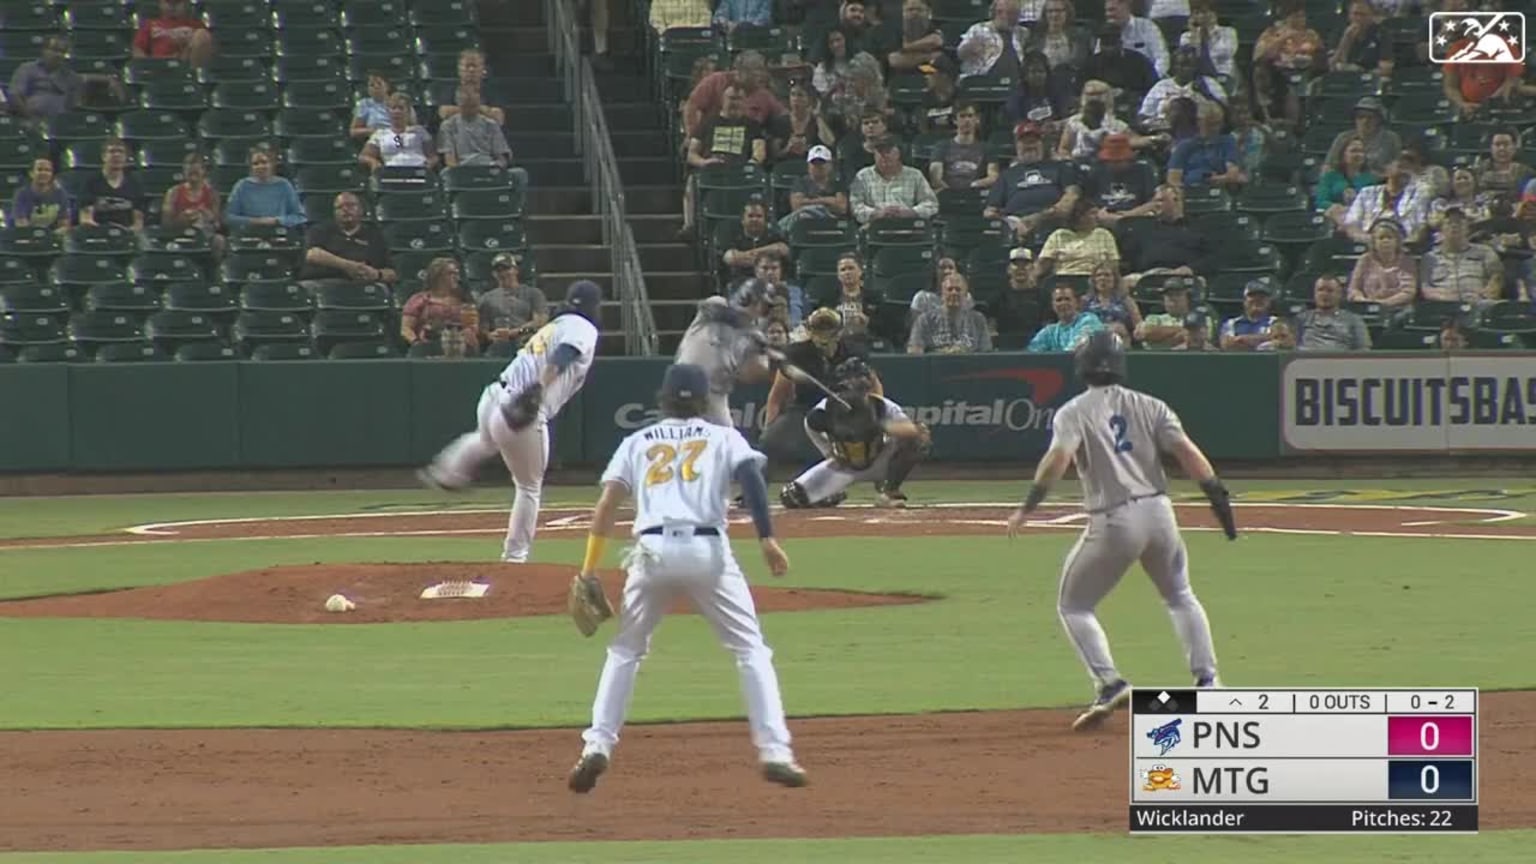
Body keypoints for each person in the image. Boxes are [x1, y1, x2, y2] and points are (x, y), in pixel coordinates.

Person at [564, 362, 804, 794]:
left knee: (625, 651)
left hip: (651, 553)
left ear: (664, 399)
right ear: (705, 401)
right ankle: (774, 752)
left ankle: (597, 745)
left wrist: (587, 568)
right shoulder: (723, 436)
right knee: (750, 650)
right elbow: (751, 477)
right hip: (707, 551)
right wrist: (767, 538)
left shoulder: (637, 441)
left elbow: (605, 507)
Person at [1005, 329, 1233, 731]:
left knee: (1073, 606)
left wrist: (1028, 507)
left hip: (1114, 519)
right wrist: (1219, 501)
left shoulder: (1073, 411)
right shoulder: (1152, 406)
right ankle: (1209, 681)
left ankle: (1109, 682)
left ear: (1082, 366)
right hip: (1161, 513)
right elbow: (1189, 454)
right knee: (1180, 595)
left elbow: (1058, 460)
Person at [417, 281, 604, 564]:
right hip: (521, 405)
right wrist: (540, 387)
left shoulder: (555, 324)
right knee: (529, 487)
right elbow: (565, 355)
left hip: (495, 395)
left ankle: (447, 472)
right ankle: (515, 558)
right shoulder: (582, 327)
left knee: (485, 439)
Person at [780, 356, 931, 512]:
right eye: (854, 378)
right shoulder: (823, 411)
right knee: (792, 497)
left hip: (880, 460)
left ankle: (889, 491)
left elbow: (912, 430)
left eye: (862, 377)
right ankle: (829, 496)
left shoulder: (880, 406)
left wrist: (878, 425)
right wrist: (830, 454)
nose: (859, 382)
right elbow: (811, 427)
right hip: (845, 466)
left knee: (920, 438)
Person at [760, 308, 882, 481]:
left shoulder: (855, 353)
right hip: (803, 409)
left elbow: (874, 386)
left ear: (839, 332)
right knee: (769, 442)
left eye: (829, 329)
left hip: (841, 411)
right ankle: (756, 488)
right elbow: (776, 397)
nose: (824, 335)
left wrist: (874, 414)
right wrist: (769, 428)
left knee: (871, 444)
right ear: (810, 331)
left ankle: (880, 487)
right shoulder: (797, 353)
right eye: (819, 329)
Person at [673, 282, 776, 427]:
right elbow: (720, 312)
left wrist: (772, 356)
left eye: (765, 306)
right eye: (756, 301)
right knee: (672, 432)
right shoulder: (717, 304)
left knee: (728, 439)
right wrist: (753, 333)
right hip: (681, 381)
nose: (759, 308)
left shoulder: (753, 337)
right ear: (743, 297)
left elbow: (749, 373)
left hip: (715, 392)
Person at [297, 191, 395, 292]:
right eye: (340, 207)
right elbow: (313, 254)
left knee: (382, 289)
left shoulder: (374, 235)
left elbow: (392, 273)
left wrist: (376, 274)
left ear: (361, 210)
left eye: (351, 206)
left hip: (362, 285)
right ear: (334, 213)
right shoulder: (320, 230)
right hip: (324, 282)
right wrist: (348, 266)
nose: (345, 210)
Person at [438, 86, 524, 188]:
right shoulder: (448, 125)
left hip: (488, 166)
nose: (470, 109)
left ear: (479, 104)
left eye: (473, 105)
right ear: (458, 105)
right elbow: (450, 160)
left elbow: (502, 157)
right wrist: (462, 172)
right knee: (445, 174)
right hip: (463, 168)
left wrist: (496, 168)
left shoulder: (491, 124)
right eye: (466, 105)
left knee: (520, 174)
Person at [401, 257, 480, 355]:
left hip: (459, 344)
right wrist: (416, 342)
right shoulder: (419, 299)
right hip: (428, 345)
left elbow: (473, 324)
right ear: (437, 276)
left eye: (457, 273)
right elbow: (406, 328)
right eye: (451, 273)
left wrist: (470, 332)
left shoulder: (464, 299)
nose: (456, 277)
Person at [849, 138, 939, 225]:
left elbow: (931, 204)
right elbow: (855, 206)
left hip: (908, 226)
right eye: (880, 152)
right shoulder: (863, 176)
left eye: (888, 151)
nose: (884, 155)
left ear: (899, 153)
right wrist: (877, 214)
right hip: (874, 227)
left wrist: (911, 212)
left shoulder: (915, 175)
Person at [477, 253, 549, 351]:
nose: (503, 273)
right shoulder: (486, 298)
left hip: (526, 341)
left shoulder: (533, 293)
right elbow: (482, 327)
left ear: (515, 270)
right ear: (494, 274)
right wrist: (490, 336)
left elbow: (540, 321)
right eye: (498, 270)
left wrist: (516, 332)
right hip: (497, 344)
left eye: (507, 269)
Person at [907, 272, 993, 354]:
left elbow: (986, 352)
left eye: (958, 290)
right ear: (942, 294)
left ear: (966, 295)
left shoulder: (978, 320)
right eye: (950, 289)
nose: (954, 293)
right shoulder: (925, 320)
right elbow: (914, 350)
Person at [224, 145, 306, 230]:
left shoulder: (284, 185)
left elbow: (299, 217)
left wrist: (277, 220)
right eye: (255, 164)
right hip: (249, 234)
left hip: (279, 234)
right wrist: (255, 221)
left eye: (264, 162)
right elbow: (230, 217)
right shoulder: (242, 186)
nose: (260, 166)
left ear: (272, 164)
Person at [1347, 217, 1417, 309]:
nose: (1385, 241)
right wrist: (1363, 301)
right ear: (1374, 242)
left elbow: (1408, 292)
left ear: (1397, 241)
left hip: (1397, 308)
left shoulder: (1407, 261)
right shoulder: (1364, 260)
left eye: (1389, 237)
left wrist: (1382, 304)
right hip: (1367, 306)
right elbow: (1354, 289)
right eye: (1381, 238)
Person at [78, 138, 145, 231]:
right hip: (98, 234)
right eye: (112, 151)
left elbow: (138, 221)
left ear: (126, 157)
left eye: (121, 152)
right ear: (103, 156)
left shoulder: (134, 184)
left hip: (126, 234)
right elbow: (86, 219)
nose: (117, 155)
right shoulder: (91, 182)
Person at [1324, 97, 1401, 176]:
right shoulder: (1343, 137)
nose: (1365, 121)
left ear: (1379, 119)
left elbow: (1397, 166)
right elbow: (1328, 167)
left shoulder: (1391, 139)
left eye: (1370, 117)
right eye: (1360, 117)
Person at [361, 94, 438, 172]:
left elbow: (433, 156)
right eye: (393, 108)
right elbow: (364, 156)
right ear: (388, 111)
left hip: (417, 169)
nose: (397, 111)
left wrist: (429, 165)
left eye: (401, 108)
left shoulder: (420, 131)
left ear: (408, 111)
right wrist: (373, 162)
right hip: (391, 171)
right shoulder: (380, 134)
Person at [1293, 274, 1371, 351]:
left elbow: (1363, 350)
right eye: (1320, 290)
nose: (1324, 294)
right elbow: (1292, 346)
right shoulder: (1302, 319)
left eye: (1330, 291)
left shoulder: (1354, 320)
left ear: (1339, 294)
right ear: (1314, 293)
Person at [957, 0, 1030, 80]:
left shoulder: (1023, 33)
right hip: (982, 80)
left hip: (1015, 82)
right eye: (999, 12)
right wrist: (969, 48)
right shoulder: (978, 29)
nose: (1004, 16)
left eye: (1010, 13)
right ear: (993, 13)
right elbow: (961, 54)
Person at [132, 0, 215, 68]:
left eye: (177, 3)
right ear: (160, 3)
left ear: (186, 3)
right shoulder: (150, 25)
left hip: (186, 65)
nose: (172, 7)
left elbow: (206, 49)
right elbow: (138, 49)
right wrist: (149, 67)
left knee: (202, 35)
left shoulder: (196, 25)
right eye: (168, 2)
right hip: (159, 68)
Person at [1028, 284, 1106, 351]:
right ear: (1053, 305)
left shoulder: (1089, 320)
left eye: (1067, 299)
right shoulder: (1050, 331)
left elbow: (1079, 345)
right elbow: (1031, 352)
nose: (1063, 303)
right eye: (1059, 300)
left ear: (1076, 303)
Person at [9, 157, 72, 231]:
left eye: (47, 170)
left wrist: (52, 236)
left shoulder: (60, 193)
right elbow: (21, 223)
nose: (43, 173)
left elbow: (64, 223)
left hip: (52, 237)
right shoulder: (21, 194)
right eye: (39, 169)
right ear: (31, 173)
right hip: (28, 237)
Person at [350, 70, 395, 141]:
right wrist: (372, 131)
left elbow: (413, 127)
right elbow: (353, 132)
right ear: (368, 89)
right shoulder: (364, 104)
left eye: (379, 84)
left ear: (387, 86)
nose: (376, 87)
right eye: (372, 85)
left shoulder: (398, 101)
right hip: (376, 140)